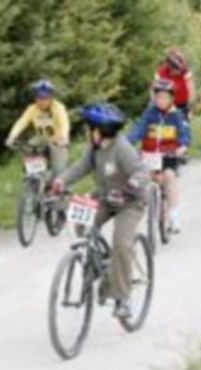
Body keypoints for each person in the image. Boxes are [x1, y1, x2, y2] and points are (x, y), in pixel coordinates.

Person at [51, 103, 149, 319]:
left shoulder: (122, 149)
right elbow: (80, 168)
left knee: (121, 244)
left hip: (129, 202)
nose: (86, 133)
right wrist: (60, 181)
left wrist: (130, 186)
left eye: (88, 129)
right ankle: (102, 266)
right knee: (81, 224)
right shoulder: (94, 149)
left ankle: (123, 299)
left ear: (100, 131)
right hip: (105, 197)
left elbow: (142, 172)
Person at [127, 79, 190, 233]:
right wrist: (126, 143)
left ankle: (174, 215)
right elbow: (138, 130)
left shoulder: (177, 115)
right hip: (149, 155)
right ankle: (140, 211)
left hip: (169, 155)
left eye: (164, 97)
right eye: (158, 97)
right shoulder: (149, 113)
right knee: (144, 179)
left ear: (171, 99)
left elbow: (184, 134)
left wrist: (182, 147)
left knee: (169, 176)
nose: (161, 100)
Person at [4, 79, 71, 177]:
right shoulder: (32, 109)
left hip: (58, 141)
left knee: (59, 172)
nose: (41, 101)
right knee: (29, 149)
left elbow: (64, 123)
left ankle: (60, 182)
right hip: (42, 139)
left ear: (51, 98)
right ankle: (31, 179)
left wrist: (64, 137)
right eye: (39, 97)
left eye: (45, 98)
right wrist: (12, 136)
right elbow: (21, 122)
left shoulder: (58, 108)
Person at [155, 49, 195, 120]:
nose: (178, 72)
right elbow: (155, 90)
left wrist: (190, 108)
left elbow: (191, 91)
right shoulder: (161, 72)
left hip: (181, 104)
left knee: (182, 124)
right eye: (176, 69)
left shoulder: (185, 72)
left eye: (179, 69)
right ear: (170, 67)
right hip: (165, 104)